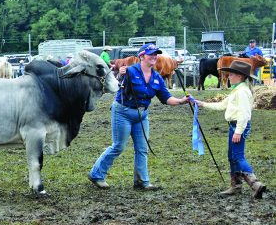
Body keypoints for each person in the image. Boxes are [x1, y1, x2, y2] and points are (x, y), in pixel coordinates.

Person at [88, 44, 191, 191]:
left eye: (156, 54)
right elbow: (116, 84)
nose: (154, 56)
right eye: (151, 54)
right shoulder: (129, 71)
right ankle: (96, 174)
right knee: (118, 146)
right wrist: (120, 75)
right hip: (123, 112)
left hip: (142, 116)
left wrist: (181, 101)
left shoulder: (157, 77)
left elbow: (166, 98)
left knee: (142, 149)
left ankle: (142, 182)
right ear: (142, 56)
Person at [195, 61, 266, 198]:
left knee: (238, 156)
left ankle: (255, 184)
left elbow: (244, 114)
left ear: (240, 76)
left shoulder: (242, 92)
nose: (229, 76)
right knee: (232, 157)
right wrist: (202, 104)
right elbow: (222, 105)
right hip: (234, 126)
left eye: (231, 74)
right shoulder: (237, 90)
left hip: (238, 126)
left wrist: (238, 131)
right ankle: (236, 186)